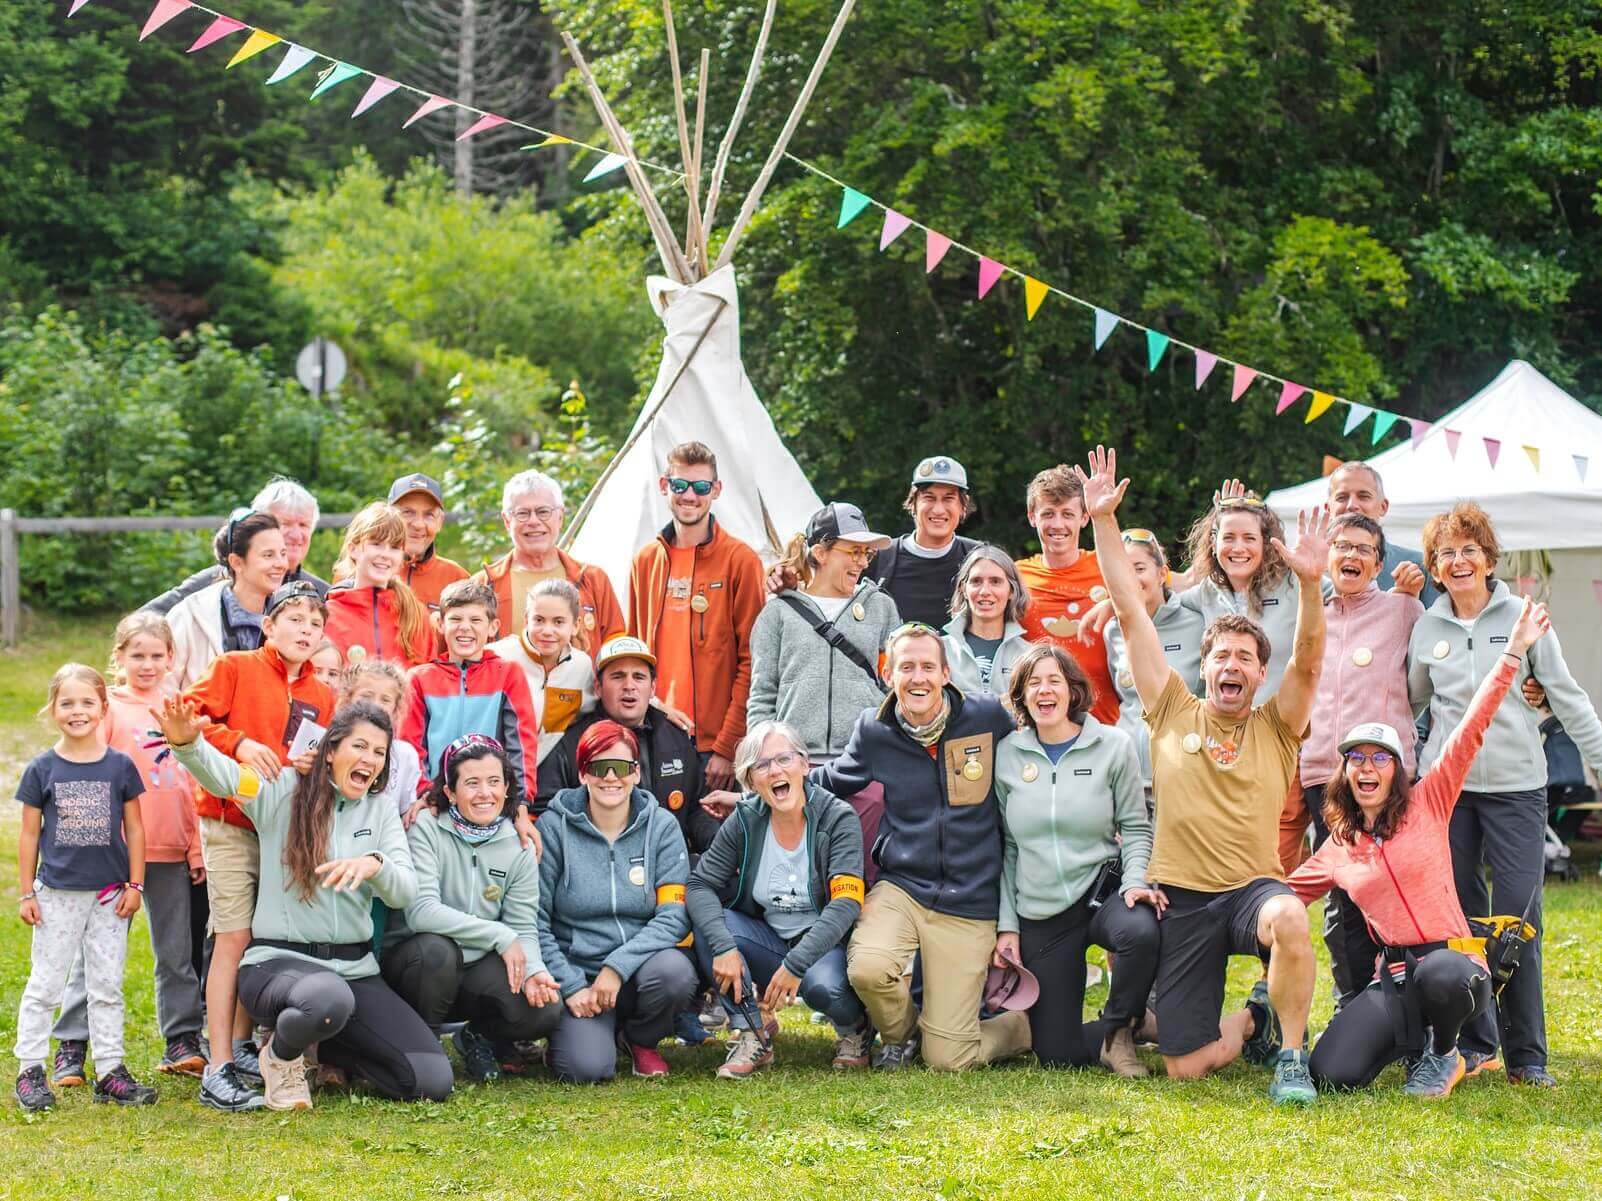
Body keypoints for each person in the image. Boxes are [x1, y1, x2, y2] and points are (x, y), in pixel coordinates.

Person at [1081, 445, 1327, 1104]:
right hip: (1184, 899)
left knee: (1292, 920)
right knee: (1185, 1068)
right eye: (1222, 653)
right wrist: (1103, 520)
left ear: (1256, 669)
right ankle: (1253, 1018)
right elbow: (1131, 611)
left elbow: (1305, 664)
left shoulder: (1278, 725)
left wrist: (1308, 582)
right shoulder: (1169, 706)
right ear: (1205, 663)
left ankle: (1294, 1058)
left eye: (1247, 656)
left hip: (1252, 891)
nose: (1233, 664)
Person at [1293, 598, 1552, 1098]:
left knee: (1443, 974)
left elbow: (1473, 723)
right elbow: (1283, 897)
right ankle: (1408, 1042)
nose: (1367, 768)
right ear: (1345, 773)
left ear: (1398, 770)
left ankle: (1444, 1053)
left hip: (1455, 966)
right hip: (1393, 977)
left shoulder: (1428, 801)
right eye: (1357, 759)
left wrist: (1514, 652)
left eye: (1380, 759)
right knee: (1332, 1072)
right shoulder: (1338, 843)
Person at [154, 696, 453, 1108]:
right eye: (359, 746)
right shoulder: (281, 791)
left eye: (379, 752)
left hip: (354, 971)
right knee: (328, 999)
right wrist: (188, 745)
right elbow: (225, 778)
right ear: (330, 751)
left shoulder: (380, 811)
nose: (370, 758)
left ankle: (332, 1049)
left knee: (430, 1080)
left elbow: (404, 890)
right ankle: (278, 1058)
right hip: (277, 965)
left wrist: (374, 865)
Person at [1409, 501, 1602, 1088]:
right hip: (1450, 797)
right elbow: (1412, 703)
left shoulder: (1525, 617)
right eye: (1447, 553)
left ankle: (1529, 1056)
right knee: (1462, 922)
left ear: (1489, 558)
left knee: (1519, 917)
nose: (1459, 560)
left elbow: (1566, 698)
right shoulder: (1426, 625)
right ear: (1435, 568)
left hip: (1519, 790)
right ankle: (1476, 1044)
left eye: (1470, 549)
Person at [815, 624, 1031, 1071]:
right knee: (869, 970)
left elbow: (1036, 748)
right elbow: (827, 782)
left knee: (950, 1061)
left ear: (947, 673)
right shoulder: (873, 731)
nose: (918, 678)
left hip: (970, 900)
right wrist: (754, 791)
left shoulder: (986, 718)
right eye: (906, 667)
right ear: (888, 674)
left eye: (928, 667)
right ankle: (903, 1035)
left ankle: (1020, 1027)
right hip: (903, 887)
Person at [183, 579, 336, 1111]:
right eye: (294, 619)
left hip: (279, 829)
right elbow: (189, 721)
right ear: (268, 625)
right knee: (233, 935)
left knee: (260, 937)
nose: (306, 630)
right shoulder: (234, 667)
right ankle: (218, 1065)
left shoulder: (322, 693)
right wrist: (242, 743)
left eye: (316, 623)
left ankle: (245, 1045)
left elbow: (313, 758)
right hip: (229, 822)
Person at [53, 615, 206, 1085]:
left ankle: (181, 1039)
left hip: (171, 850)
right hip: (116, 852)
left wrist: (196, 847)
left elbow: (194, 782)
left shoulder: (180, 707)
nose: (147, 664)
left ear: (171, 659)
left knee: (177, 952)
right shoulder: (110, 710)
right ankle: (73, 1045)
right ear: (118, 657)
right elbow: (92, 774)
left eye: (157, 655)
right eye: (137, 655)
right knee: (94, 949)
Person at [993, 645, 1158, 1075]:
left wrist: (1135, 881)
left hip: (1101, 891)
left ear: (1072, 690)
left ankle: (1120, 1030)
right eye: (1033, 682)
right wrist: (1008, 926)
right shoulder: (1007, 754)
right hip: (1041, 909)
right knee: (1058, 1056)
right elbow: (1007, 848)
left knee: (1140, 932)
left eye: (1054, 680)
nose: (1044, 690)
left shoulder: (1113, 745)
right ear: (1021, 696)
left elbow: (1137, 828)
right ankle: (1131, 1027)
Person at [688, 721, 871, 1078]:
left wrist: (796, 965)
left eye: (784, 759)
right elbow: (699, 885)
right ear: (751, 781)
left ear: (805, 765)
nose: (775, 771)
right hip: (769, 940)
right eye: (761, 765)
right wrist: (724, 947)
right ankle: (752, 1033)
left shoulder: (837, 817)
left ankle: (855, 1030)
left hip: (823, 947)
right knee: (711, 922)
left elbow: (846, 904)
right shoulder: (745, 819)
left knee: (824, 988)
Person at [13, 665, 154, 1112]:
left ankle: (110, 1071)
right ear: (53, 709)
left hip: (110, 896)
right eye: (67, 703)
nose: (77, 711)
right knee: (46, 984)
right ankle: (30, 1070)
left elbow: (134, 827)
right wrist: (26, 892)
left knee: (107, 985)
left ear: (102, 708)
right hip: (57, 895)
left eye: (87, 702)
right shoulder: (42, 769)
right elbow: (29, 835)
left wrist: (136, 884)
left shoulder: (119, 766)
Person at [382, 734, 562, 1081]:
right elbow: (421, 911)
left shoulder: (519, 845)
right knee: (437, 951)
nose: (485, 793)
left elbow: (523, 927)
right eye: (472, 783)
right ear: (450, 792)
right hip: (418, 964)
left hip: (475, 966)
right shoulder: (426, 828)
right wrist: (498, 934)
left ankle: (477, 1037)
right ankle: (425, 1043)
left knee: (546, 1010)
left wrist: (535, 971)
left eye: (495, 782)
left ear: (508, 787)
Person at [1298, 513, 1423, 1006]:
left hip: (1387, 777)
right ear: (1328, 557)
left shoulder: (1403, 611)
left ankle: (1410, 1002)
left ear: (1378, 563)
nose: (1350, 556)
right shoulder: (1311, 614)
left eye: (1363, 549)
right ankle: (1353, 1004)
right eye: (1342, 546)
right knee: (1343, 893)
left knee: (1393, 885)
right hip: (1323, 776)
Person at [535, 720, 697, 1082]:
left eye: (622, 767)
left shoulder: (662, 826)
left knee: (676, 973)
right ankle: (581, 1037)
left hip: (639, 970)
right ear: (582, 774)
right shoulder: (553, 827)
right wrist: (572, 984)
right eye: (598, 767)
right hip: (578, 974)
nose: (611, 777)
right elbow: (535, 919)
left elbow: (673, 916)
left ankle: (639, 1039)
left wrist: (617, 967)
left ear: (637, 774)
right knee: (586, 1069)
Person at [629, 441, 766, 793]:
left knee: (717, 845)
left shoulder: (740, 560)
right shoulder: (646, 561)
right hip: (654, 735)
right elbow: (632, 651)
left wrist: (728, 745)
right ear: (665, 486)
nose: (690, 495)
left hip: (714, 749)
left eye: (701, 487)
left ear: (716, 490)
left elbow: (755, 660)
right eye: (680, 485)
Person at [748, 503, 901, 763]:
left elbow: (895, 686)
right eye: (854, 552)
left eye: (867, 553)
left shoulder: (881, 607)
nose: (863, 562)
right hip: (793, 764)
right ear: (820, 552)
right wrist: (761, 759)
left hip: (866, 761)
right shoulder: (778, 612)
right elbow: (762, 695)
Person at [539, 637, 713, 851]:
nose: (629, 686)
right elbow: (546, 809)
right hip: (598, 868)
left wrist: (718, 846)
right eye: (617, 676)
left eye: (639, 677)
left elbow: (697, 808)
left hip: (666, 867)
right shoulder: (572, 743)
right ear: (598, 687)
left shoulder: (676, 737)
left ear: (653, 688)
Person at [400, 580, 540, 812]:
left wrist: (520, 802)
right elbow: (411, 746)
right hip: (436, 801)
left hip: (490, 801)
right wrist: (426, 793)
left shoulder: (508, 674)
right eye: (455, 619)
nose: (465, 627)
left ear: (493, 627)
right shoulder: (419, 678)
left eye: (475, 620)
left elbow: (521, 744)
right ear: (441, 623)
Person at [1101, 529, 1204, 795]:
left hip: (1185, 776)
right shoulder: (1112, 630)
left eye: (1139, 568)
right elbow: (1125, 700)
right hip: (1128, 779)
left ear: (1162, 574)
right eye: (1122, 570)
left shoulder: (1197, 621)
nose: (1130, 579)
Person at [473, 470, 624, 650]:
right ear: (507, 521)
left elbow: (615, 650)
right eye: (522, 513)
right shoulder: (482, 586)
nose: (533, 521)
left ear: (560, 517)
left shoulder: (593, 580)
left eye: (543, 512)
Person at [1015, 466, 1118, 724]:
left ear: (1084, 517)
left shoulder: (1107, 565)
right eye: (1048, 514)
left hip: (1107, 726)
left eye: (1067, 514)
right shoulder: (1016, 576)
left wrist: (1115, 602)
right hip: (1039, 728)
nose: (1057, 524)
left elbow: (1161, 589)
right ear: (1032, 517)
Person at [144, 478, 327, 615]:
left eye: (303, 525)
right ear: (259, 526)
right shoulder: (216, 581)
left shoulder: (323, 593)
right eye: (285, 524)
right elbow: (146, 618)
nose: (296, 535)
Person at [165, 510, 289, 690]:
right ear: (236, 562)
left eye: (283, 554)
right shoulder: (190, 616)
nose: (281, 564)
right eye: (268, 555)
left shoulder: (292, 616)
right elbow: (161, 691)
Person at [863, 455, 982, 629]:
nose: (939, 509)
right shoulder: (878, 558)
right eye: (929, 498)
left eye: (949, 498)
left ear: (963, 507)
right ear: (913, 504)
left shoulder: (980, 559)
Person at [489, 578, 596, 766]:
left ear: (575, 625)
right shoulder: (497, 657)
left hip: (545, 779)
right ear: (526, 621)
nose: (547, 631)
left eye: (558, 622)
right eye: (539, 620)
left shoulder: (582, 666)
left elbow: (607, 698)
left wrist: (662, 709)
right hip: (494, 776)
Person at [325, 502, 435, 668]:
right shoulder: (328, 615)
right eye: (376, 544)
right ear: (354, 549)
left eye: (394, 547)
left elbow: (428, 682)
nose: (385, 554)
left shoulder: (415, 615)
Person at [1325, 461, 1435, 602]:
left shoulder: (1419, 566)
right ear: (1328, 509)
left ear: (1383, 506)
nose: (1352, 505)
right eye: (1342, 497)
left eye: (1363, 496)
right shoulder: (1310, 570)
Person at [942, 545, 1032, 698]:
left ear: (1011, 590)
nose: (985, 592)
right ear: (963, 588)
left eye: (995, 582)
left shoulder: (1028, 655)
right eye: (976, 581)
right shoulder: (939, 650)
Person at [341, 660, 423, 826]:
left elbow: (405, 812)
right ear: (348, 699)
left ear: (396, 708)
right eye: (366, 696)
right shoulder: (334, 745)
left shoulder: (405, 755)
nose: (375, 705)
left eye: (385, 700)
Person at [385, 472, 469, 611]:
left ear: (440, 522)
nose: (418, 524)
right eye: (408, 512)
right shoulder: (368, 571)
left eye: (429, 515)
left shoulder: (458, 579)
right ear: (388, 516)